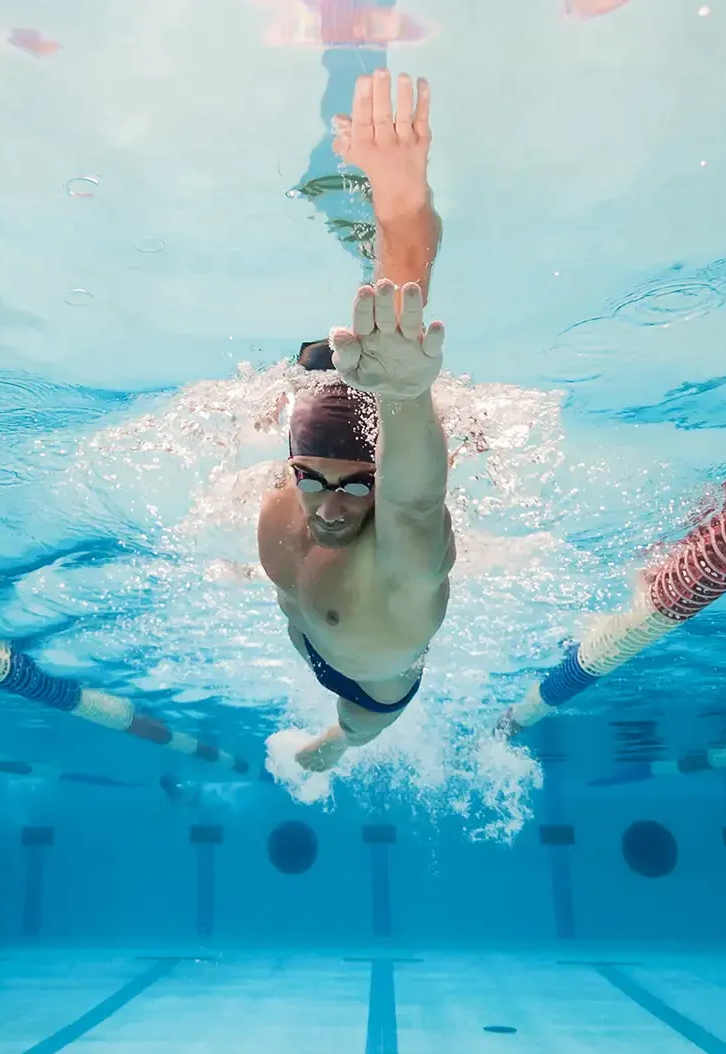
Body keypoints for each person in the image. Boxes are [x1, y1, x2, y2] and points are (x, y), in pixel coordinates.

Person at [259, 70, 454, 774]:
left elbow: (415, 498)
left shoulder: (401, 570)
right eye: (310, 477)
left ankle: (341, 748)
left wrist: (402, 201)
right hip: (313, 632)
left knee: (353, 729)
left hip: (371, 686)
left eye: (357, 486)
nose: (330, 505)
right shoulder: (294, 490)